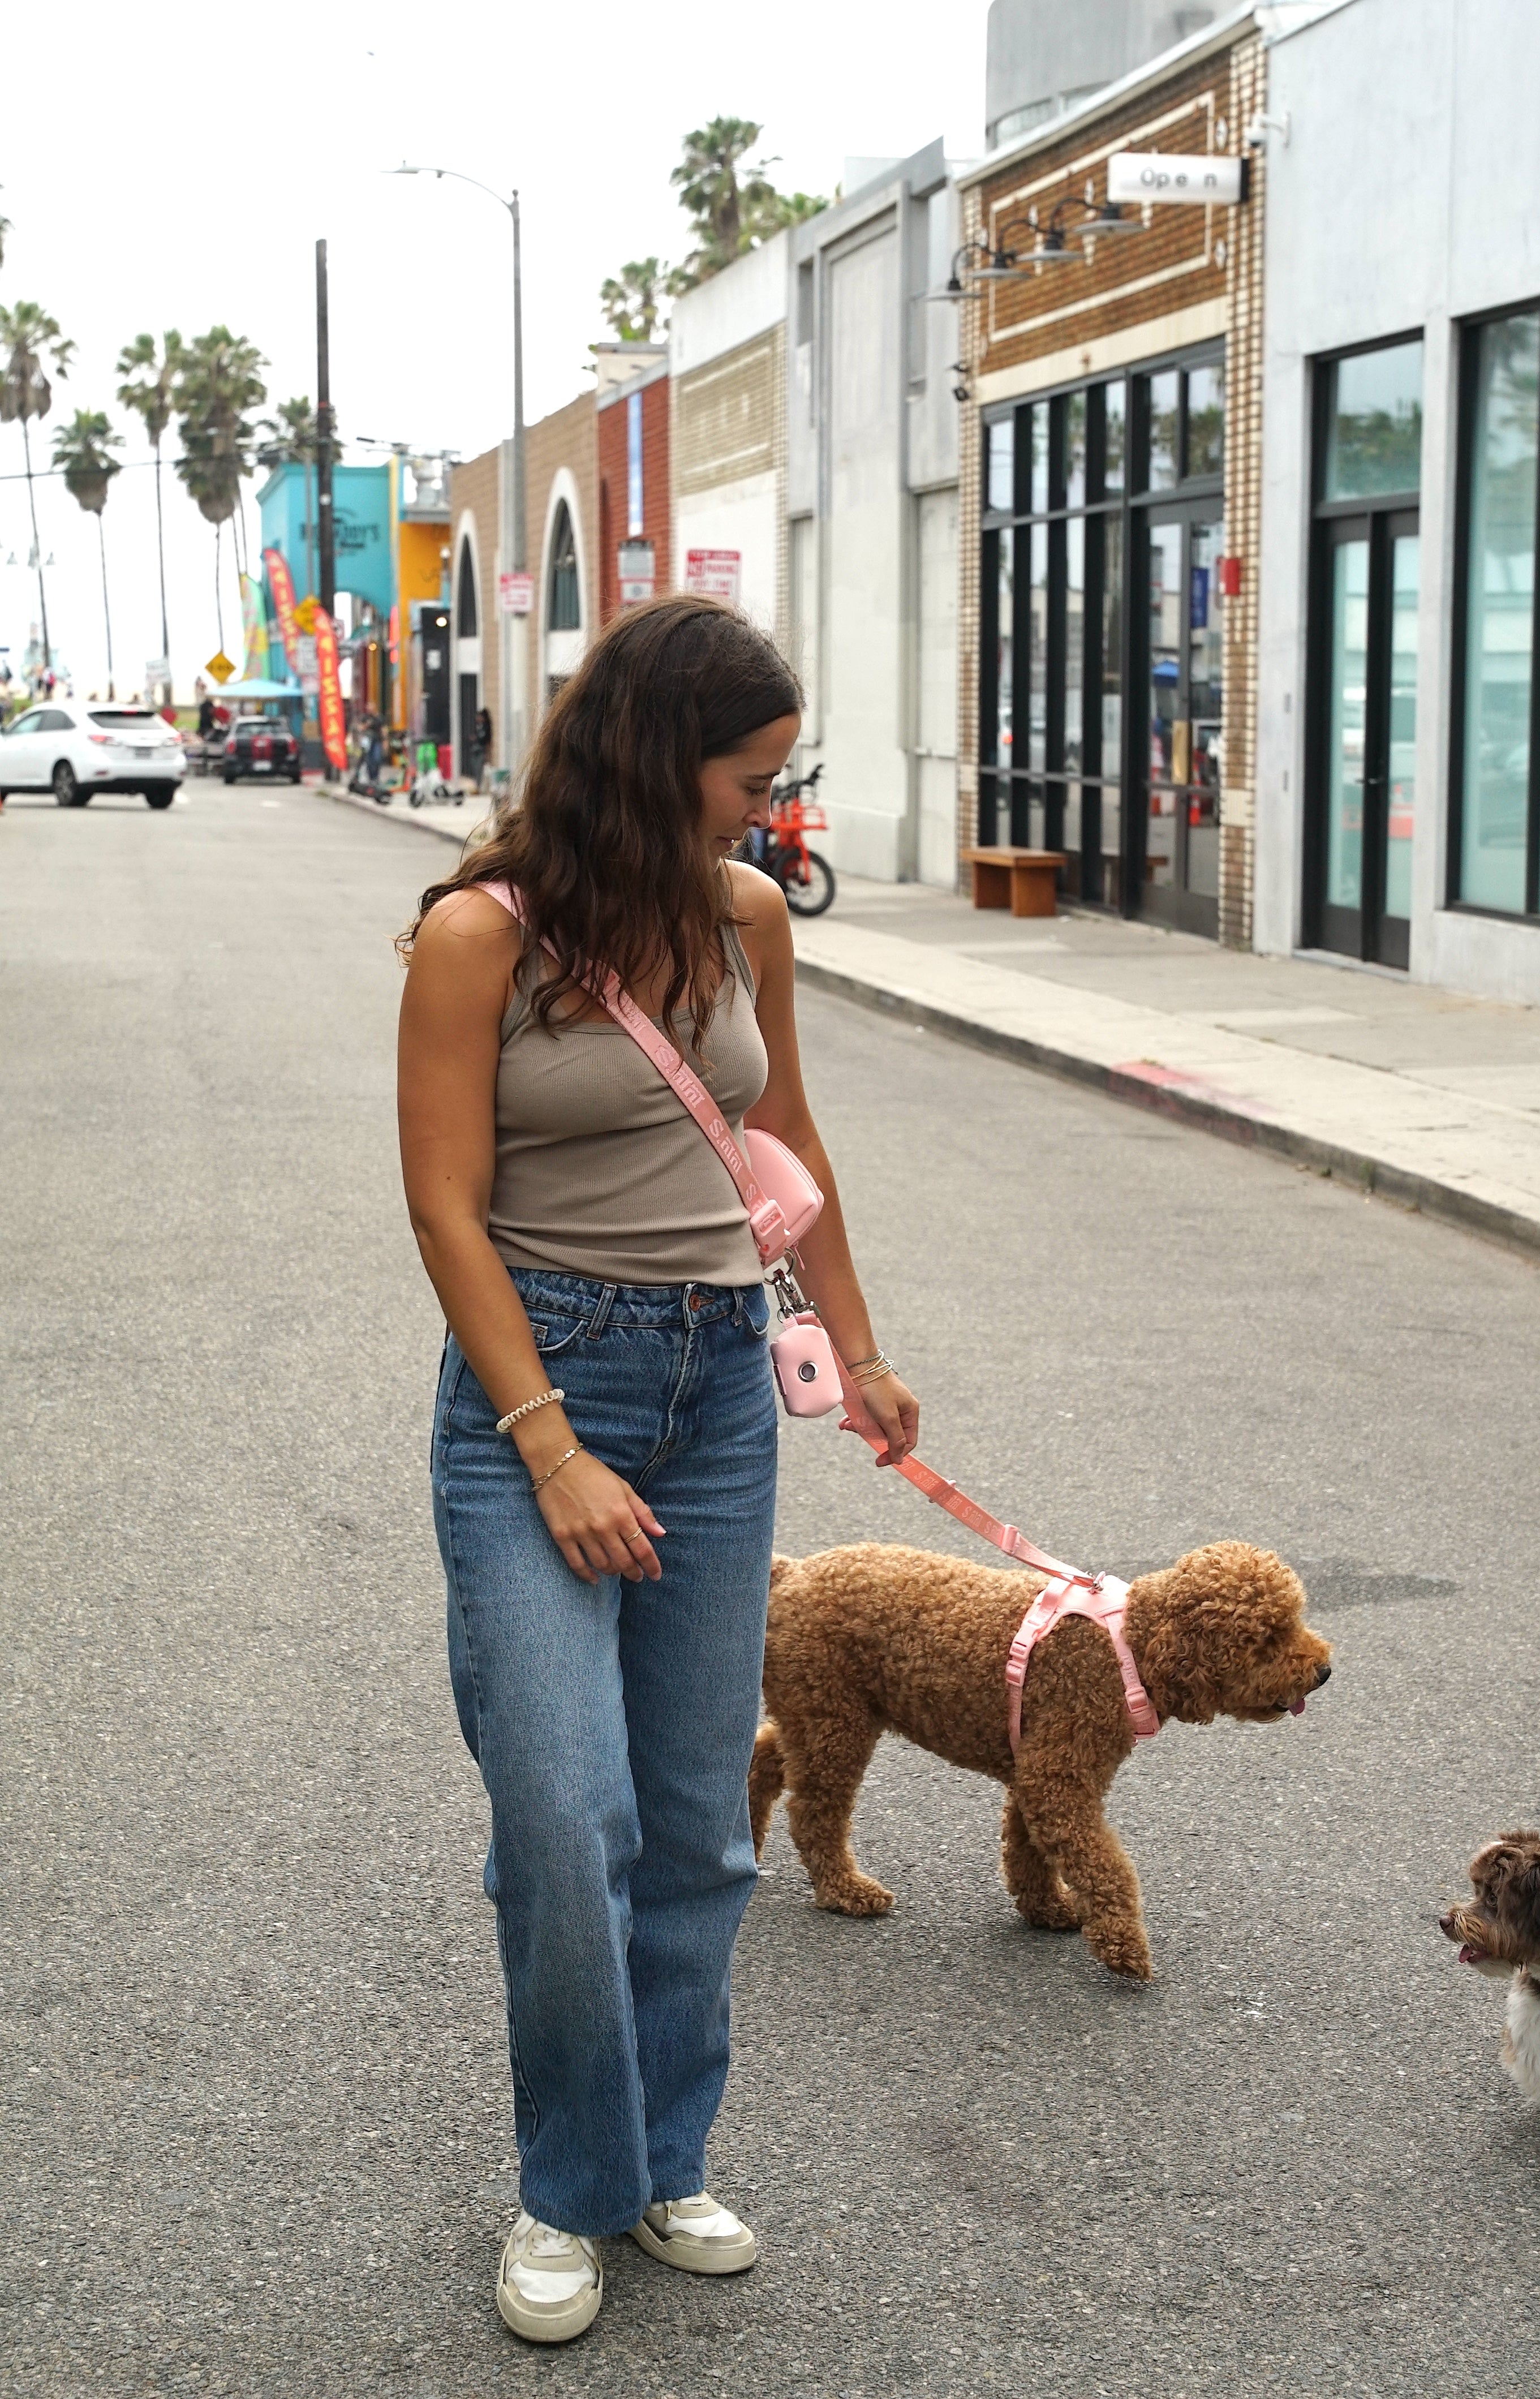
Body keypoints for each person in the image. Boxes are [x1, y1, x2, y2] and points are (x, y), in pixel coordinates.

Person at [397, 596, 918, 2346]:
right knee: (567, 1815)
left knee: (696, 1826)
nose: (764, 811)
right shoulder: (482, 937)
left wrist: (858, 1340)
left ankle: (662, 2155)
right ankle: (567, 2189)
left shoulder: (750, 913)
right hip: (539, 1387)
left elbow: (786, 1137)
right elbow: (444, 1209)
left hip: (712, 1396)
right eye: (747, 776)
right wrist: (544, 1444)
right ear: (652, 753)